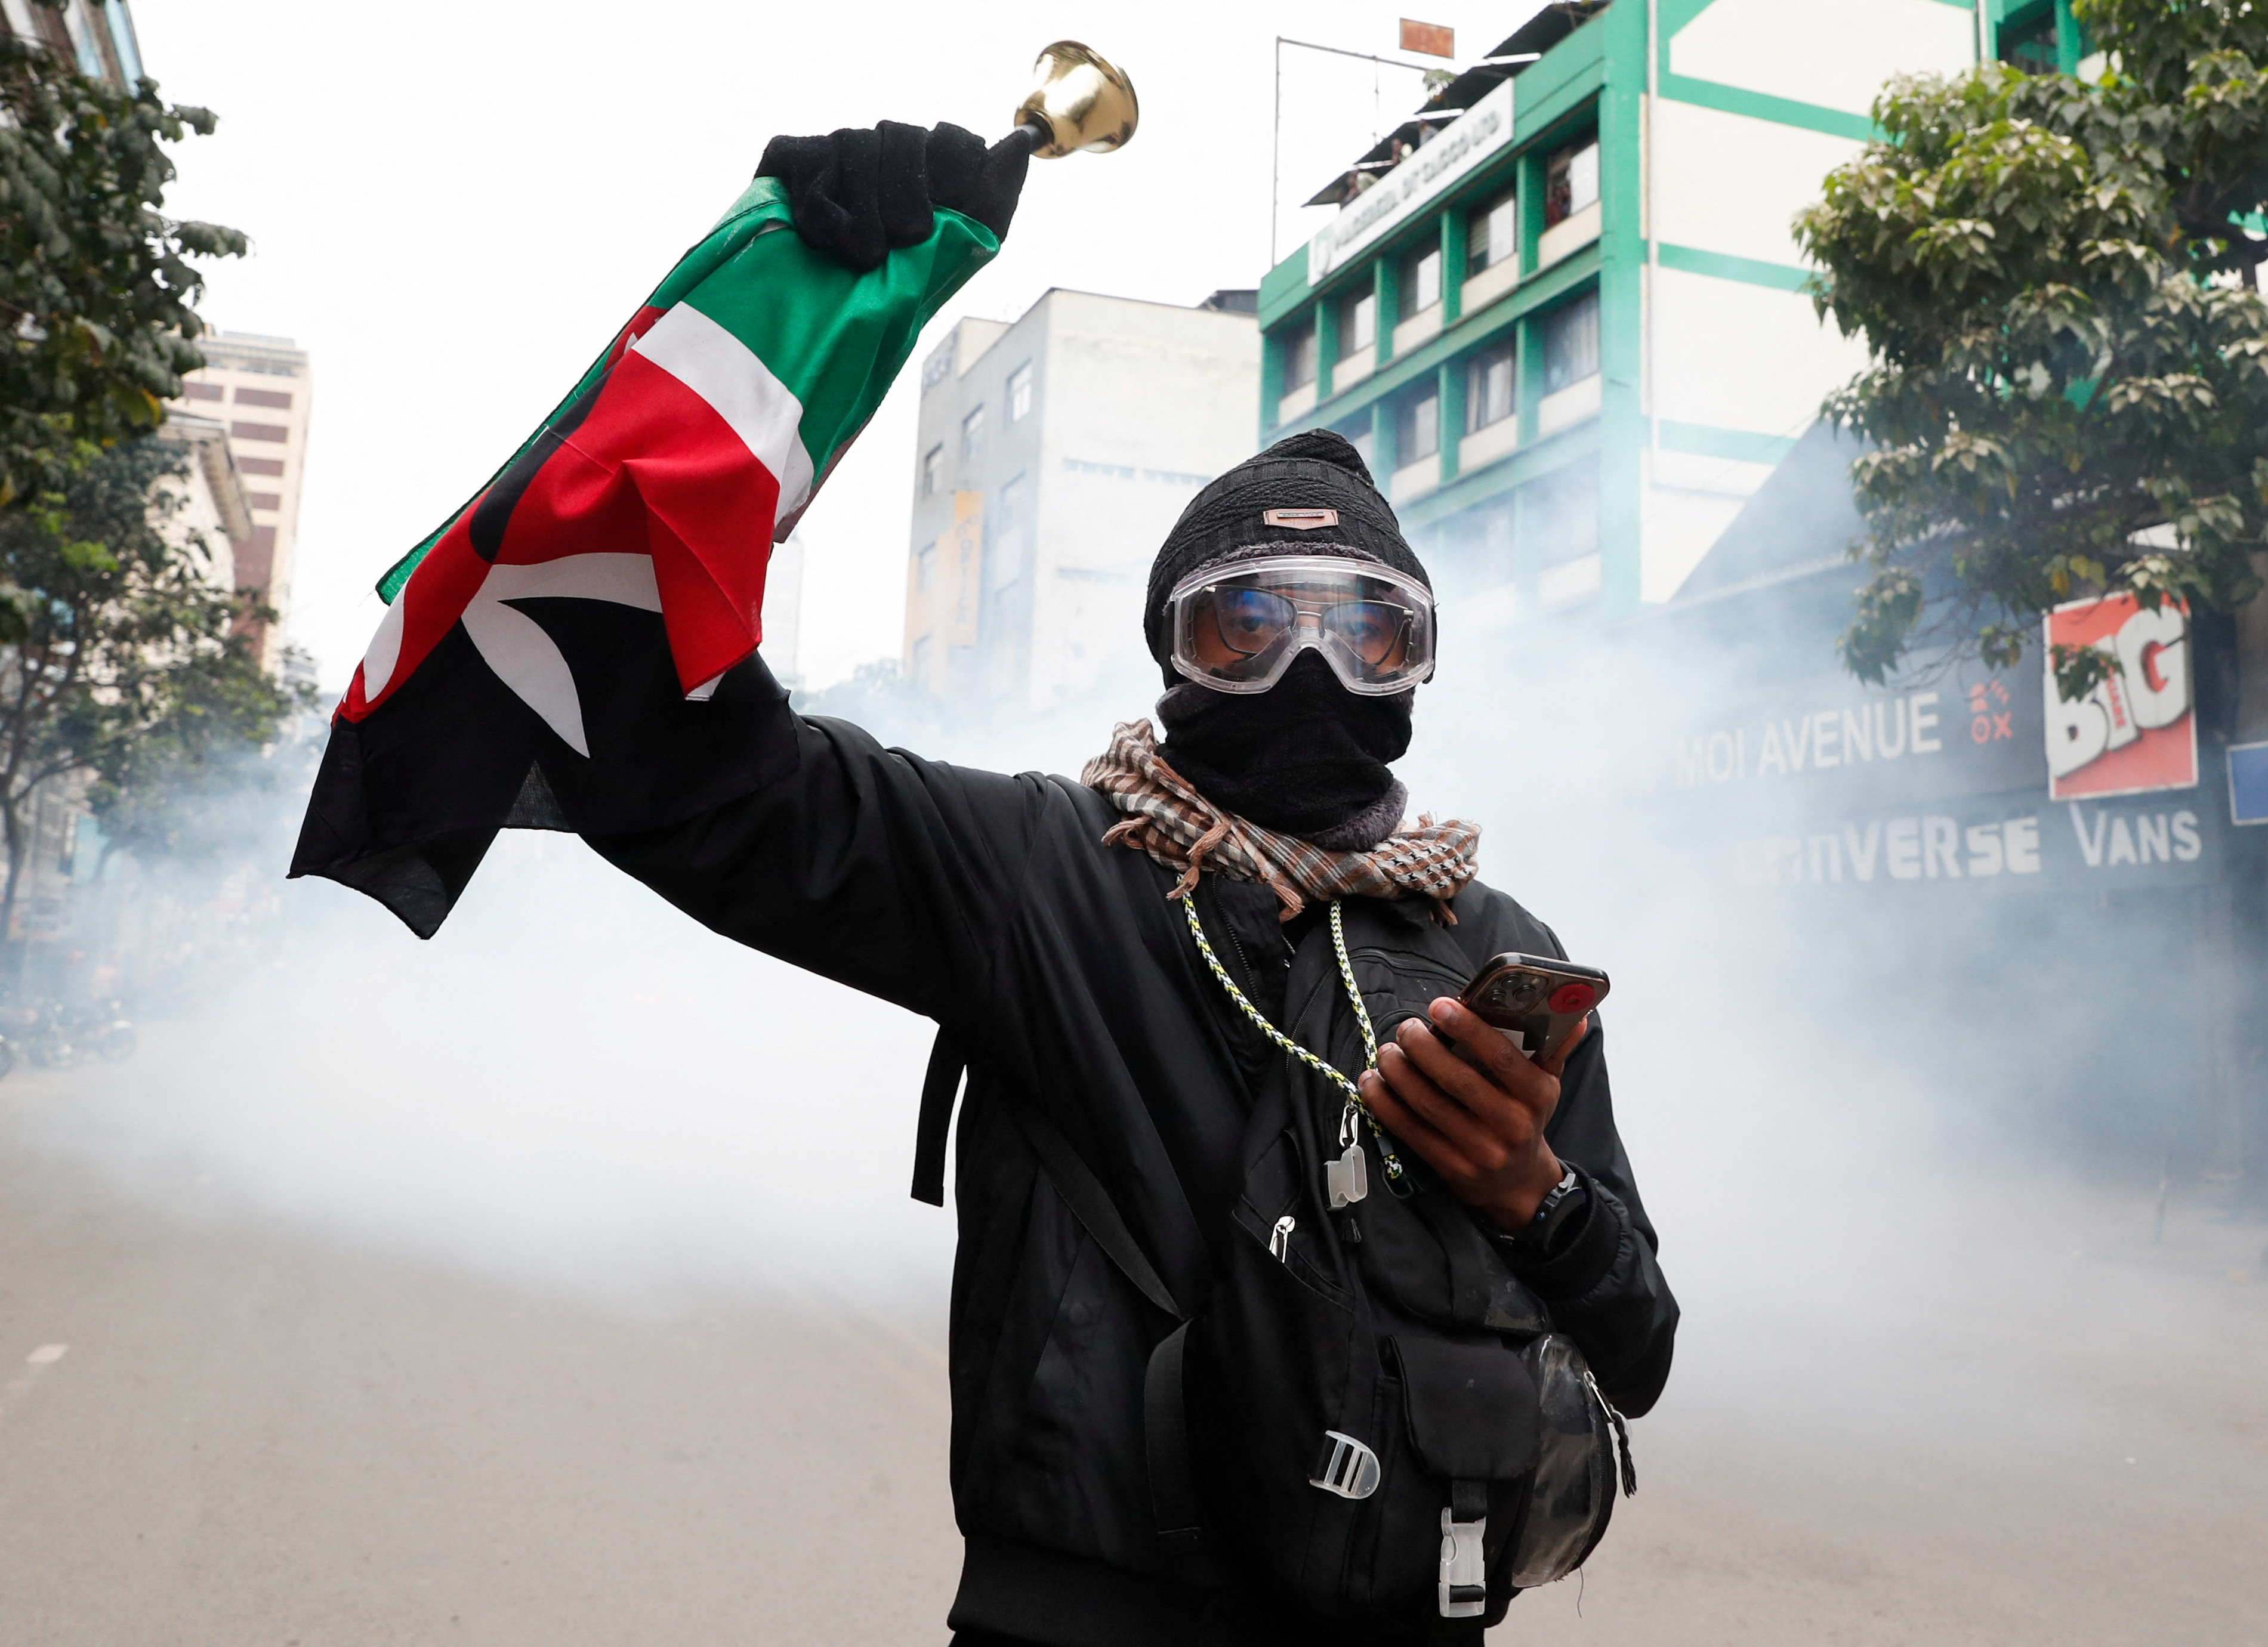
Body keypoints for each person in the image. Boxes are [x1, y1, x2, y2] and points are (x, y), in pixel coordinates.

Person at [306, 120, 1678, 1646]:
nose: (1306, 669)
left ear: (1417, 663)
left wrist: (1531, 1197)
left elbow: (1638, 1343)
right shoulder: (1035, 866)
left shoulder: (1501, 950)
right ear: (1170, 656)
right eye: (1246, 628)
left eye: (1362, 632)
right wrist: (812, 309)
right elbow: (702, 783)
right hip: (1082, 1620)